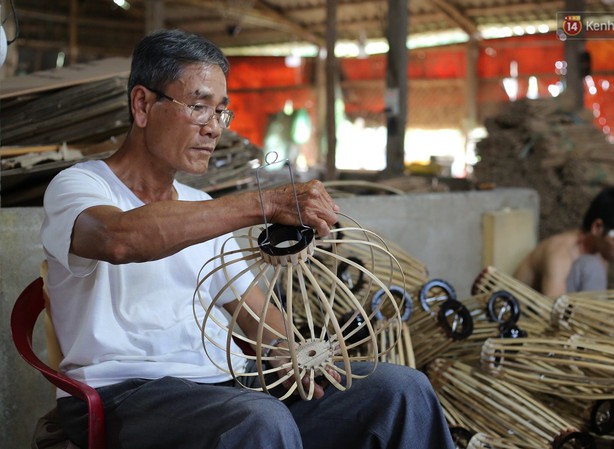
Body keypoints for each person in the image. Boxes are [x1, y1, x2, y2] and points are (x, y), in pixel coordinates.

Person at [40, 29, 455, 449]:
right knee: (259, 420)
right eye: (199, 107)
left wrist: (289, 351)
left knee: (401, 391)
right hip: (124, 394)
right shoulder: (78, 187)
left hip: (225, 386)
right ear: (143, 105)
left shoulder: (198, 205)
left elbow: (257, 316)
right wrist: (263, 203)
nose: (214, 128)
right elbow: (119, 239)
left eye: (222, 111)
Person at [513, 186, 614, 297]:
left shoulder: (600, 252)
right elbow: (552, 314)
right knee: (590, 266)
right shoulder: (560, 254)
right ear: (598, 227)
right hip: (525, 321)